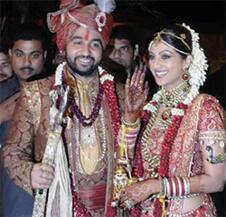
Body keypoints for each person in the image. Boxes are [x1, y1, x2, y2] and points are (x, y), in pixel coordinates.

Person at [3, 0, 122, 217]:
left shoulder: (120, 94)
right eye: (77, 42)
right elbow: (12, 152)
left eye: (95, 43)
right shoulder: (36, 92)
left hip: (111, 208)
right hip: (58, 205)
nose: (86, 51)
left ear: (103, 47)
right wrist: (30, 172)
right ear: (63, 44)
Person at [113, 23, 226, 216]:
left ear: (187, 61)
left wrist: (155, 186)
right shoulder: (150, 108)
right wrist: (130, 119)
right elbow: (126, 161)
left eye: (165, 56)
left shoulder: (205, 108)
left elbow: (217, 181)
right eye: (153, 56)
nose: (156, 65)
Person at [1, 23, 48, 217]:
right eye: (20, 54)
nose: (26, 62)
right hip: (11, 192)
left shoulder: (57, 90)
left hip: (52, 185)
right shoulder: (3, 94)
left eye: (34, 55)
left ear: (44, 56)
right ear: (10, 54)